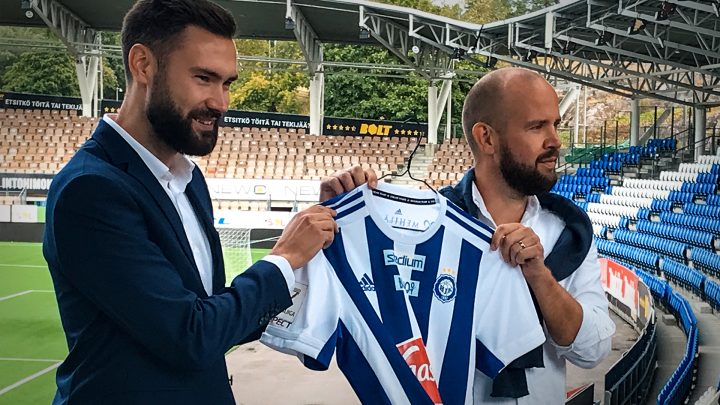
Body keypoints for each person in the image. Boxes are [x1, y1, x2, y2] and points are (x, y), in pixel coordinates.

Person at [42, 1, 375, 403]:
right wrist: (284, 257)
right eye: (204, 78)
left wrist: (321, 224)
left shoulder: (188, 178)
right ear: (143, 65)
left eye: (227, 83)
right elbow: (191, 336)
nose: (221, 102)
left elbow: (221, 318)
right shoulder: (92, 189)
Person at [322, 67, 615, 403]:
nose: (555, 141)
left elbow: (593, 350)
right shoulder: (424, 226)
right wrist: (341, 216)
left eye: (556, 125)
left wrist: (540, 277)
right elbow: (371, 309)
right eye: (536, 126)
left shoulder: (571, 232)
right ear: (486, 138)